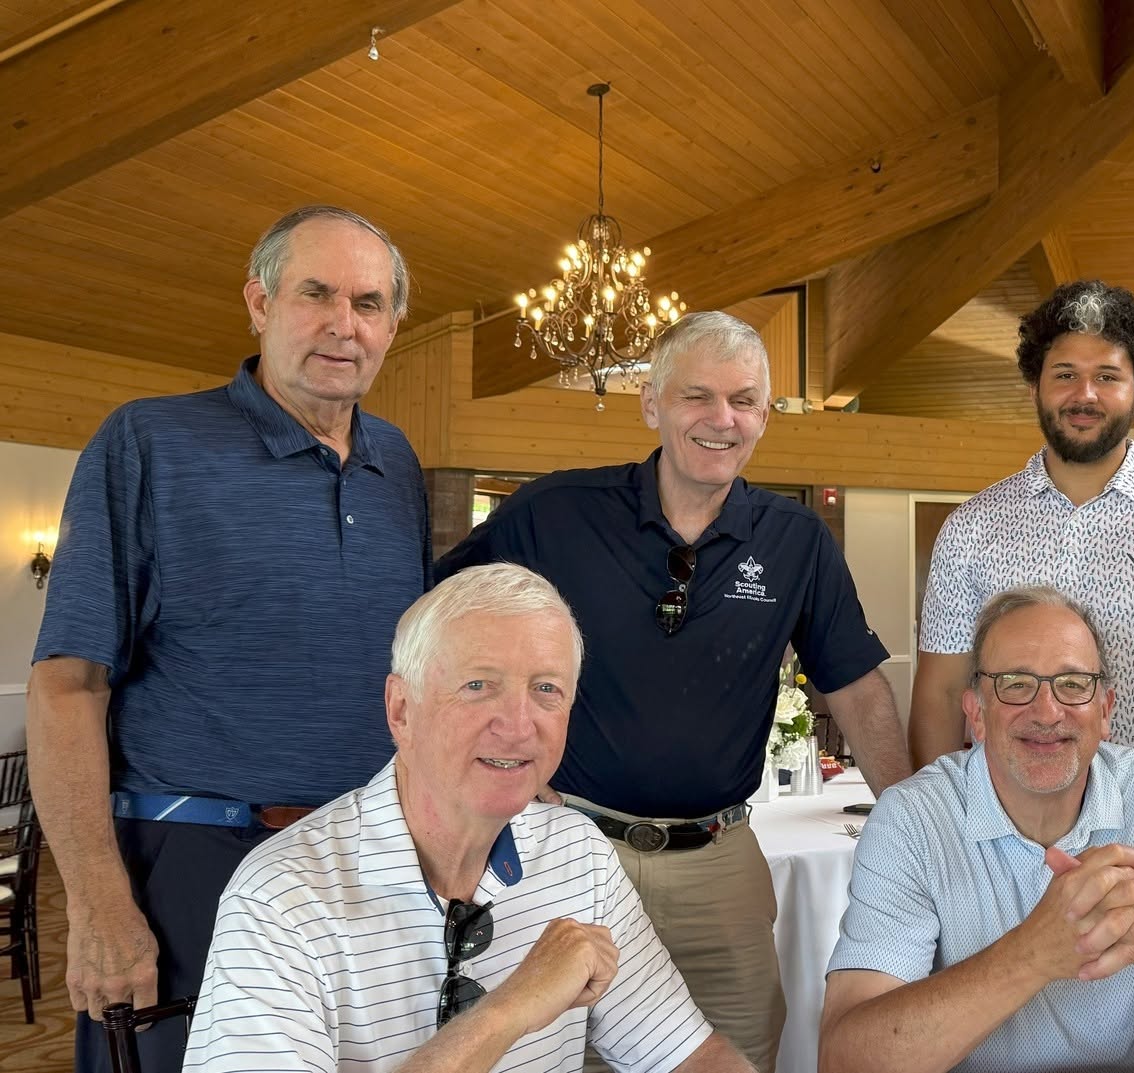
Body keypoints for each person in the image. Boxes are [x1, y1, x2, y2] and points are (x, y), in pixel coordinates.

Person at [437, 310, 911, 1072]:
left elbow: (855, 689)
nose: (722, 419)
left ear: (763, 415)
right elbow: (442, 633)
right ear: (652, 405)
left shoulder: (794, 541)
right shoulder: (554, 513)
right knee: (556, 1057)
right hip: (572, 853)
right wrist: (500, 772)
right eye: (698, 396)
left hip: (719, 867)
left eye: (745, 400)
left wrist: (914, 825)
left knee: (736, 1054)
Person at [26, 205, 430, 1071]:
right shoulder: (147, 442)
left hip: (371, 858)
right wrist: (96, 903)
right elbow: (68, 686)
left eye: (367, 303)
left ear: (393, 324)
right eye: (314, 293)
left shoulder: (398, 465)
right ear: (258, 301)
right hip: (196, 864)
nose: (341, 324)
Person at [182, 563, 754, 1071]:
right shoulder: (281, 897)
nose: (518, 723)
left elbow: (688, 1056)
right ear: (401, 710)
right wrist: (511, 1008)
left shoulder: (578, 852)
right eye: (479, 686)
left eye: (546, 689)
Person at [821, 587, 1134, 1073]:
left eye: (1073, 684)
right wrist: (1033, 953)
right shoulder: (912, 820)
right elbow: (846, 1061)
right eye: (1015, 683)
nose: (1047, 712)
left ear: (1105, 711)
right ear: (975, 713)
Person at [909, 280, 1134, 832]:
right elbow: (938, 694)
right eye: (1064, 375)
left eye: (1108, 376)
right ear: (1034, 387)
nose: (1085, 395)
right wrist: (950, 840)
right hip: (1007, 846)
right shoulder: (971, 529)